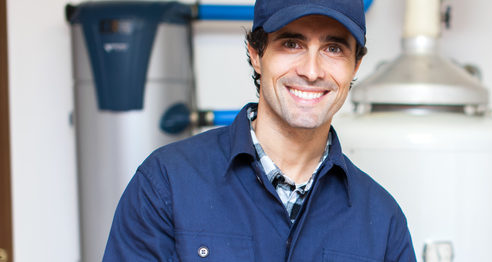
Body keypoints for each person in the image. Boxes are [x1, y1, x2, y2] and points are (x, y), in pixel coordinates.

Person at [102, 0, 416, 261]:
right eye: (292, 43)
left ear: (355, 66)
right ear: (256, 53)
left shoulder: (384, 222)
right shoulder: (165, 185)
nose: (311, 70)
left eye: (333, 48)